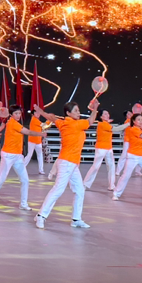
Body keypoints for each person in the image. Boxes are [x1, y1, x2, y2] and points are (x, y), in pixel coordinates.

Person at [34, 98, 99, 229]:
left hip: (71, 163)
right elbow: (91, 120)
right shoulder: (77, 124)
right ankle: (41, 216)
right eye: (75, 111)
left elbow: (52, 118)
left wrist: (41, 111)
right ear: (68, 113)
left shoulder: (62, 123)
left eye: (79, 110)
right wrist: (95, 108)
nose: (78, 113)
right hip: (67, 162)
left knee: (79, 190)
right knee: (58, 189)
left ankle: (76, 219)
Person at [0, 105, 44, 210]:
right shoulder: (13, 123)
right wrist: (41, 134)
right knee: (1, 179)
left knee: (25, 180)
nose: (18, 115)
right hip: (8, 155)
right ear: (11, 114)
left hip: (18, 156)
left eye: (19, 113)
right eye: (16, 113)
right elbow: (28, 132)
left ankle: (23, 204)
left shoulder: (14, 123)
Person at [84, 110, 128, 191]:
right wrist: (128, 124)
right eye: (105, 114)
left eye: (108, 113)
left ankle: (111, 185)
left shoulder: (105, 124)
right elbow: (117, 129)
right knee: (96, 166)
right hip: (101, 148)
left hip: (108, 148)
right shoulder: (102, 124)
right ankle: (85, 184)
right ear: (101, 117)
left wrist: (108, 121)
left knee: (111, 166)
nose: (108, 115)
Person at [23, 108, 46, 175]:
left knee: (40, 155)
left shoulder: (37, 120)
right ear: (33, 114)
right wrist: (49, 120)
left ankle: (41, 170)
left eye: (38, 113)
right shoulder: (34, 120)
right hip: (32, 141)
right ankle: (22, 167)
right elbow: (44, 125)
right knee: (29, 155)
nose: (38, 114)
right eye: (36, 113)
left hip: (38, 141)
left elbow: (43, 127)